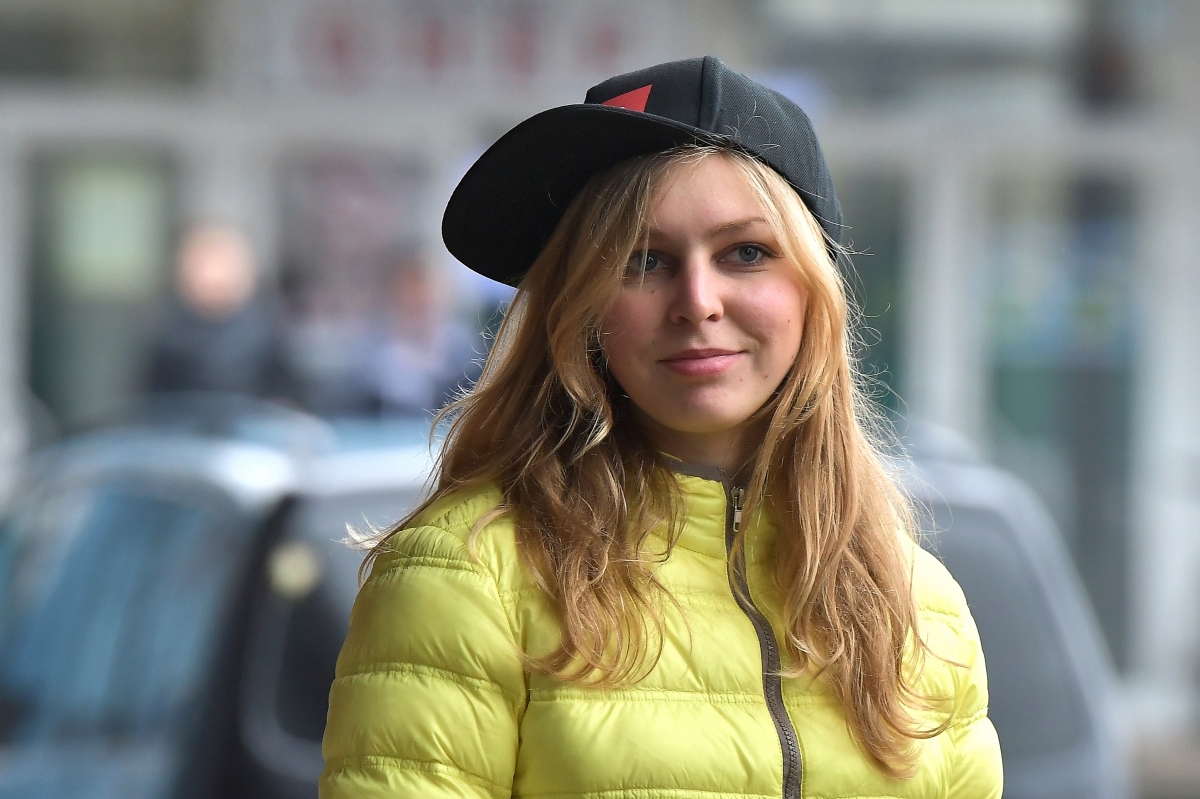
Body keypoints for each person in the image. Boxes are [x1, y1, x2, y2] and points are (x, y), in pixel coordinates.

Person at [320, 57, 1002, 798]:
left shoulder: (918, 606)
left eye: (746, 253)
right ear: (581, 306)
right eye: (644, 260)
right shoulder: (469, 573)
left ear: (814, 291)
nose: (698, 301)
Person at [148, 223, 294, 398]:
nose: (214, 275)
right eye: (205, 265)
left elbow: (286, 398)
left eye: (223, 264)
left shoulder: (267, 335)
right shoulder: (168, 338)